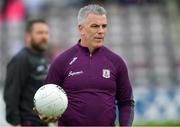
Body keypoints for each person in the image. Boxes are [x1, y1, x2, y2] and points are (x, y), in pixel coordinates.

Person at [40, 4, 134, 126]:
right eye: (95, 26)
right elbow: (46, 97)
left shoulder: (116, 62)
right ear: (81, 29)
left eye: (104, 26)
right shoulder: (62, 61)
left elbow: (126, 102)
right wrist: (44, 113)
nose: (101, 31)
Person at [3, 19, 49, 126]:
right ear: (28, 36)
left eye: (46, 33)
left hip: (42, 122)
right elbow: (11, 94)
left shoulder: (43, 58)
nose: (44, 37)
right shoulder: (21, 59)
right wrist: (16, 123)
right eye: (39, 33)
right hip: (28, 122)